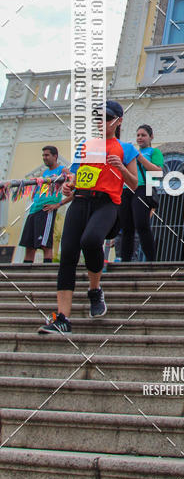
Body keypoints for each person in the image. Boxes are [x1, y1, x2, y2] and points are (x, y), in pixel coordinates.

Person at [38, 101, 139, 334]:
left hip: (107, 204)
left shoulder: (126, 148)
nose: (101, 122)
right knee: (68, 256)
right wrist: (68, 187)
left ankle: (95, 290)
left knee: (91, 241)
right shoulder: (86, 145)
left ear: (118, 121)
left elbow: (134, 183)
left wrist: (122, 169)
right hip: (81, 201)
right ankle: (62, 318)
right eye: (99, 117)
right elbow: (73, 175)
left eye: (107, 117)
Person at [119, 124, 164, 262]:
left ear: (151, 137)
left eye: (143, 135)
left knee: (142, 224)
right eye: (138, 135)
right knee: (126, 227)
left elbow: (157, 172)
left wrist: (139, 157)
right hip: (127, 190)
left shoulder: (154, 152)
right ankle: (125, 260)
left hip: (143, 188)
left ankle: (151, 260)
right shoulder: (130, 153)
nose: (140, 138)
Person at [19, 146, 67, 264]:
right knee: (29, 245)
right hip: (34, 209)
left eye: (47, 155)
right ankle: (25, 277)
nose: (44, 158)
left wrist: (58, 204)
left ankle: (47, 272)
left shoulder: (62, 170)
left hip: (47, 209)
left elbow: (72, 182)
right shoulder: (44, 173)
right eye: (43, 155)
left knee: (45, 244)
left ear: (55, 156)